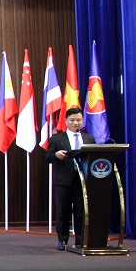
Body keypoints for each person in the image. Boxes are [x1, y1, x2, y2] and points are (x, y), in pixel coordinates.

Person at [46, 107, 95, 251]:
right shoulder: (56, 138)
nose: (76, 123)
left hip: (82, 181)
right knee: (63, 212)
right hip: (63, 181)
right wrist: (56, 155)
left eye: (79, 120)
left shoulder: (89, 139)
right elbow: (47, 157)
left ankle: (80, 240)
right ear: (66, 121)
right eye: (72, 120)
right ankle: (62, 240)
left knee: (81, 212)